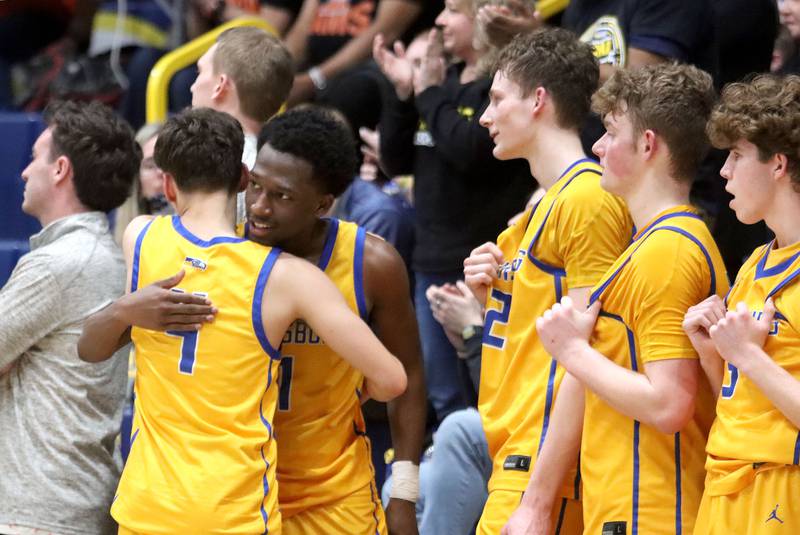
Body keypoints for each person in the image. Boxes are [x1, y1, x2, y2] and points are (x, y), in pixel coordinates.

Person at [77, 107, 407, 534]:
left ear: (167, 184)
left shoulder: (139, 237)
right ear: (242, 178)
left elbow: (88, 348)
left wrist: (125, 311)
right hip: (235, 507)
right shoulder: (288, 276)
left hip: (148, 504)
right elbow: (393, 380)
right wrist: (354, 391)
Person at [512, 64, 728, 535]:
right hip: (626, 508)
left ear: (648, 144)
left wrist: (571, 350)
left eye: (610, 132)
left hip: (656, 512)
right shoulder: (647, 245)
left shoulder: (667, 253)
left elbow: (668, 404)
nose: (598, 147)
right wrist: (537, 503)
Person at [463, 28, 633, 534]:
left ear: (538, 100)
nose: (486, 117)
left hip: (540, 466)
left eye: (496, 99)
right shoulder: (536, 211)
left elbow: (592, 351)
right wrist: (489, 297)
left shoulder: (586, 201)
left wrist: (537, 500)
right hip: (514, 452)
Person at [244, 106, 425, 535]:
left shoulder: (371, 263)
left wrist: (403, 494)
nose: (259, 207)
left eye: (281, 195)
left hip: (334, 493)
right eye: (254, 186)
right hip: (241, 489)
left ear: (323, 203)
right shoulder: (225, 248)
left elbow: (410, 376)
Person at [375, 0, 534, 424]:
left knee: (485, 398)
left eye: (453, 11)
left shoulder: (500, 91)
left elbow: (468, 150)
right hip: (432, 260)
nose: (440, 21)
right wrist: (403, 95)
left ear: (485, 16)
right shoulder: (440, 80)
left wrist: (426, 93)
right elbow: (396, 159)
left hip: (482, 267)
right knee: (445, 400)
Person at [0, 100, 140, 535]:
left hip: (39, 512)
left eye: (34, 158)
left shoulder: (61, 263)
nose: (24, 172)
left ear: (60, 169)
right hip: (64, 504)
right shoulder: (99, 254)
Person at [683, 74, 800, 534]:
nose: (725, 171)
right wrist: (715, 354)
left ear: (778, 164)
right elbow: (737, 396)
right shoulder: (754, 263)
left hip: (782, 485)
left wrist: (747, 354)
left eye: (736, 155)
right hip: (723, 482)